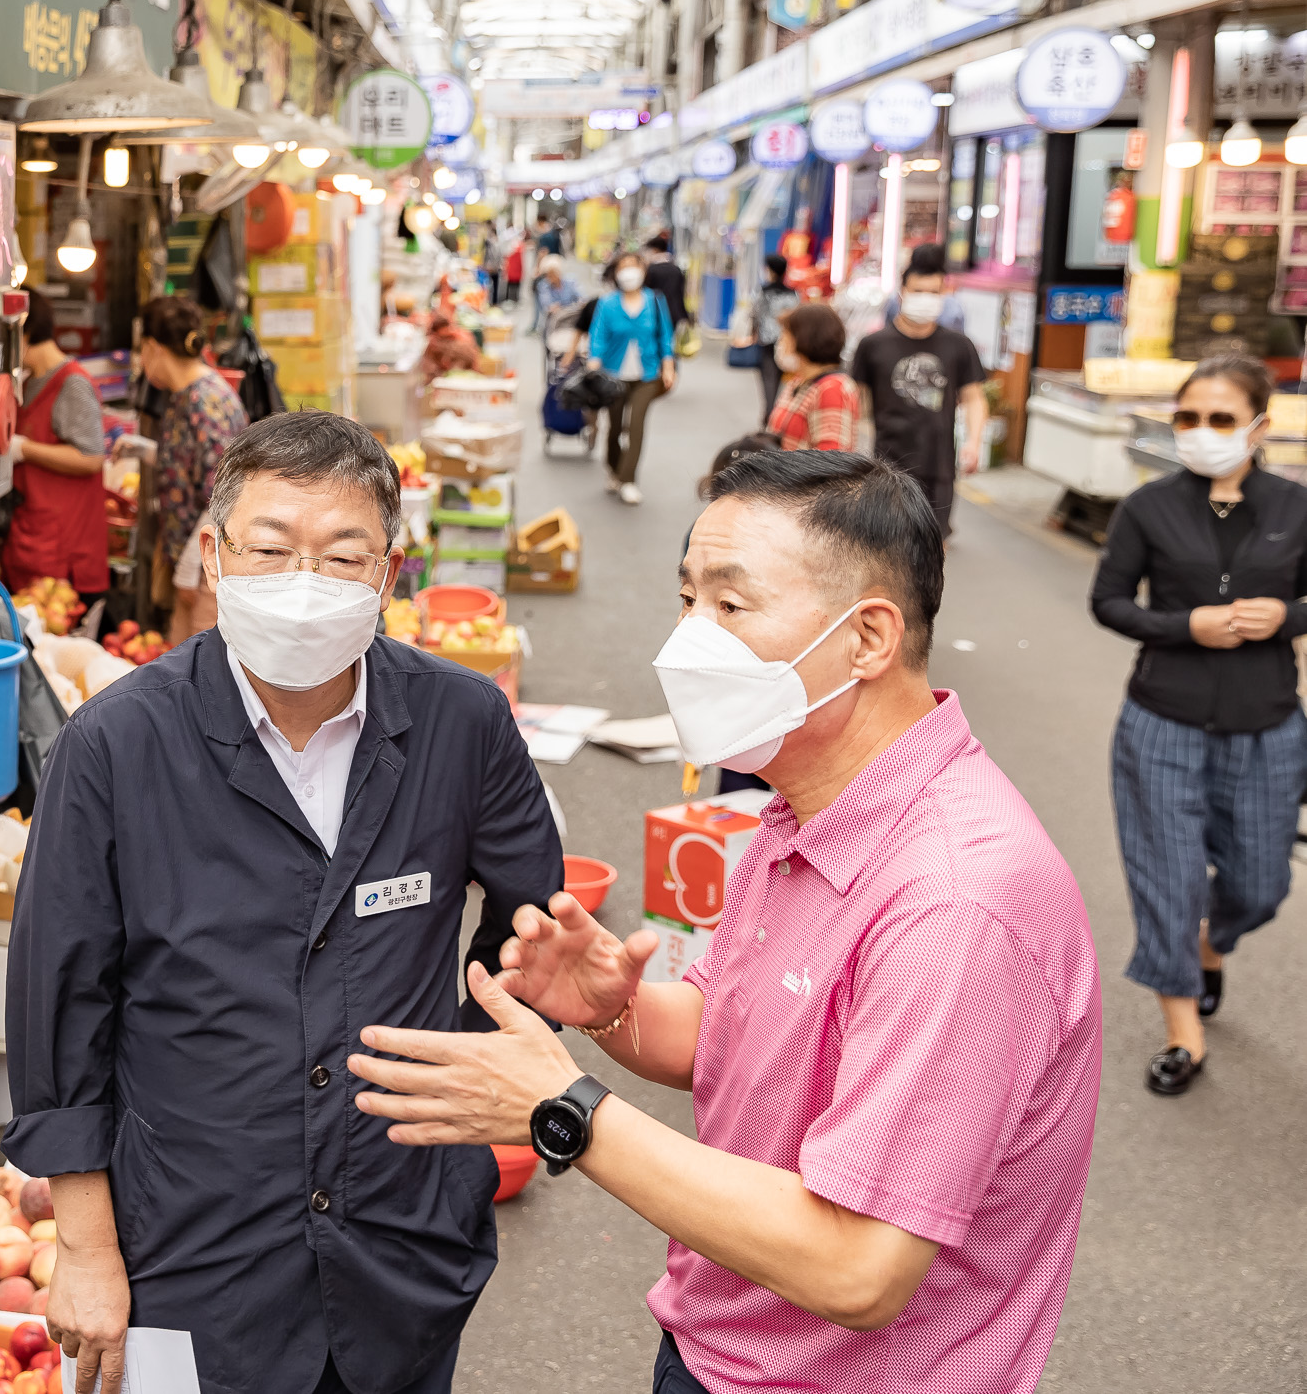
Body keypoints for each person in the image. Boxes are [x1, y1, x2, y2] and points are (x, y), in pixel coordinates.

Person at [351, 450, 1102, 1394]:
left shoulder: (956, 902)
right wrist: (610, 1008)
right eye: (686, 598)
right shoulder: (807, 806)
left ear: (869, 636)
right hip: (723, 1351)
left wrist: (562, 1108)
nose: (684, 640)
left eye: (730, 605)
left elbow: (859, 1265)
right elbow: (734, 1036)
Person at [5, 410, 563, 1394]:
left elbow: (533, 923)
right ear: (214, 558)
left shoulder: (461, 723)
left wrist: (469, 1097)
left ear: (389, 575)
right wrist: (87, 1246)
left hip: (401, 1238)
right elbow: (60, 1006)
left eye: (342, 554)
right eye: (269, 548)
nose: (303, 581)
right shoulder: (114, 744)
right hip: (191, 1245)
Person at [1090, 353, 1307, 1096]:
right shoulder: (1147, 507)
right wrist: (1187, 624)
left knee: (1260, 882)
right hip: (1162, 722)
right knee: (1168, 880)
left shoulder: (1294, 506)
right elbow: (1110, 601)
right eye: (1188, 418)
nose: (1202, 432)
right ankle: (1184, 1031)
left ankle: (1213, 944)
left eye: (1220, 418)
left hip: (1269, 725)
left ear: (1257, 426)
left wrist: (1287, 616)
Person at [849, 246, 986, 535]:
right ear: (902, 291)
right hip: (887, 466)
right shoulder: (873, 345)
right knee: (889, 546)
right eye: (918, 291)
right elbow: (855, 400)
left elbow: (974, 398)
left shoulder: (959, 346)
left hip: (939, 467)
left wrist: (974, 442)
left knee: (934, 547)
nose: (926, 299)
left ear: (944, 294)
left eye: (934, 293)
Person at [139, 294, 247, 647]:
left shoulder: (206, 400)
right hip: (199, 560)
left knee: (206, 673)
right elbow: (195, 463)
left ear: (153, 347)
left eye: (142, 350)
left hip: (212, 568)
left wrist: (189, 565)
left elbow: (224, 493)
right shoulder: (187, 394)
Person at [6, 291, 112, 629]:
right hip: (32, 537)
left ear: (23, 331)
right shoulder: (29, 381)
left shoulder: (72, 384)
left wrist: (24, 448)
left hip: (65, 551)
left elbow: (91, 456)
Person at [586, 253, 676, 505]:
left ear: (643, 270)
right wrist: (594, 361)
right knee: (614, 428)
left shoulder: (655, 301)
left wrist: (668, 366)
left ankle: (628, 479)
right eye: (623, 268)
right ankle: (614, 469)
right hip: (613, 376)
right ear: (615, 273)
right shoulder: (608, 304)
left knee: (635, 426)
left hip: (646, 376)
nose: (628, 273)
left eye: (632, 267)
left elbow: (665, 337)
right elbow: (598, 335)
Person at [763, 302, 860, 451]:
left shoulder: (832, 389)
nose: (780, 342)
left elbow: (831, 461)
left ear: (803, 339)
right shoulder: (799, 382)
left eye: (785, 336)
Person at [748, 252, 798, 418]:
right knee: (782, 378)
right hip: (786, 340)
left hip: (767, 340)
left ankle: (770, 414)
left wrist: (752, 333)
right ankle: (777, 412)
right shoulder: (793, 293)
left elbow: (755, 313)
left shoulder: (763, 292)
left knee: (768, 378)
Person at [641, 235, 690, 350]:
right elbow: (681, 293)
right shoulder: (676, 269)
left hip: (655, 311)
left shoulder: (650, 270)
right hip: (674, 313)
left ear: (654, 250)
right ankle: (670, 365)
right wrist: (684, 315)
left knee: (655, 344)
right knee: (669, 343)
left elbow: (645, 293)